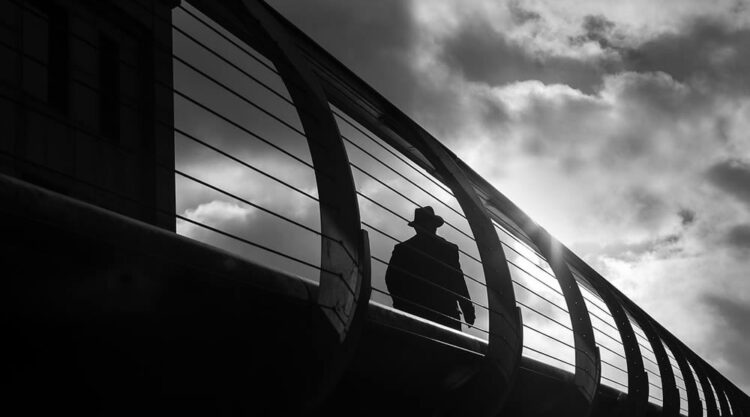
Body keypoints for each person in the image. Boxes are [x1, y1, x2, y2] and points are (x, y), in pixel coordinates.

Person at [385, 206, 475, 330]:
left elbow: (391, 280)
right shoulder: (449, 249)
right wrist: (468, 310)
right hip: (446, 315)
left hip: (414, 315)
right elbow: (458, 282)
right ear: (435, 226)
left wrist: (402, 306)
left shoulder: (403, 249)